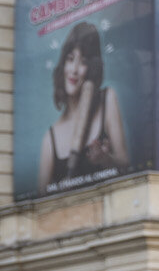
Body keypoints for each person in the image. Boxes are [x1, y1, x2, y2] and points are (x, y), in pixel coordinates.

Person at [37, 22, 129, 194]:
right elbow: (39, 201)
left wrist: (106, 159)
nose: (74, 70)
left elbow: (126, 164)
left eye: (83, 62)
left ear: (92, 68)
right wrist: (60, 193)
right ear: (63, 64)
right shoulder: (49, 140)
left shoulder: (107, 99)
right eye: (70, 59)